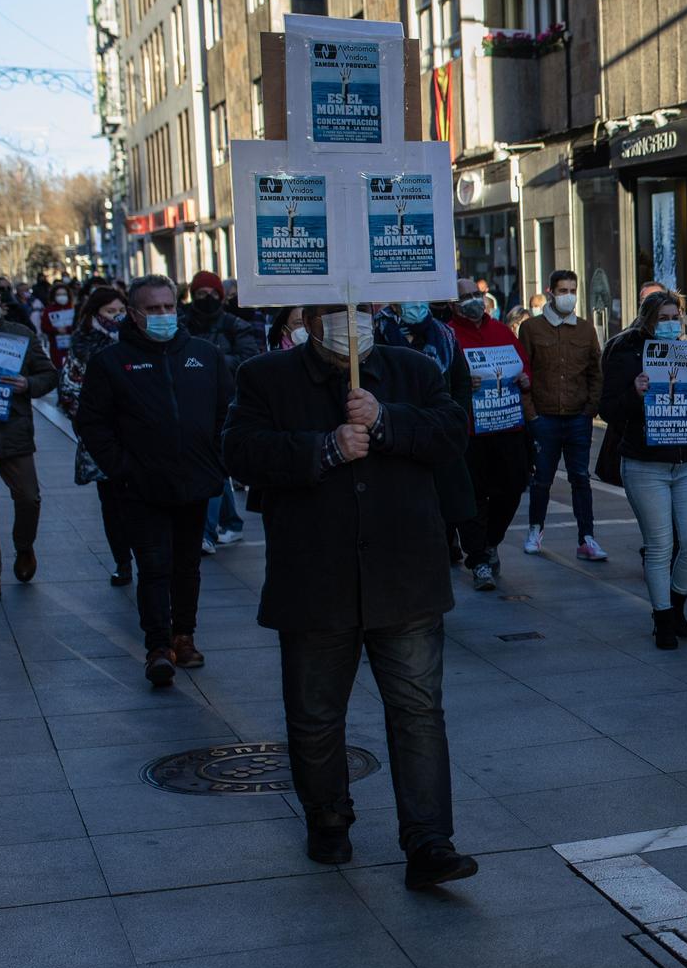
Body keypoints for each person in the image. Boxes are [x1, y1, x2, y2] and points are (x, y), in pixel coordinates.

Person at [224, 303, 477, 888]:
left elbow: (450, 433)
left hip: (404, 576)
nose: (351, 319)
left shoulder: (412, 368)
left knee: (417, 714)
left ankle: (429, 840)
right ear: (309, 319)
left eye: (362, 308)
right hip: (316, 579)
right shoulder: (266, 376)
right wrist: (324, 448)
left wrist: (387, 420)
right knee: (315, 715)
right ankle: (328, 818)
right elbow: (240, 451)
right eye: (337, 310)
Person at [73, 274, 235, 685]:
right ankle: (158, 647)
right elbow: (92, 423)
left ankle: (185, 636)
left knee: (187, 567)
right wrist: (122, 467)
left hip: (195, 483)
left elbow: (227, 411)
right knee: (154, 567)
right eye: (153, 309)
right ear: (133, 313)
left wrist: (216, 460)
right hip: (141, 487)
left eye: (168, 307)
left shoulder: (204, 355)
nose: (163, 315)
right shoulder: (111, 362)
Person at [603, 290, 687, 647]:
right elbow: (608, 410)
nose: (670, 324)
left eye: (675, 317)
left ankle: (676, 601)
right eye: (662, 318)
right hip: (645, 463)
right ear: (647, 318)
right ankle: (663, 617)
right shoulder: (624, 351)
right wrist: (634, 393)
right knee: (660, 545)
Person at [375, 302, 476, 568]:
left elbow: (461, 381)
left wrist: (456, 419)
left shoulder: (444, 335)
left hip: (439, 434)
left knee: (448, 505)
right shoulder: (378, 332)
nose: (415, 302)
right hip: (398, 435)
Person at [518, 269, 606, 561]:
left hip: (578, 417)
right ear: (551, 291)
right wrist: (531, 415)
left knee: (580, 478)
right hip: (544, 417)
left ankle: (587, 538)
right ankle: (535, 530)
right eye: (563, 290)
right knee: (542, 479)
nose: (569, 296)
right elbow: (523, 372)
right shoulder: (531, 329)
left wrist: (589, 410)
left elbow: (596, 371)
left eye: (572, 290)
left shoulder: (585, 329)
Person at [450, 286, 532, 587]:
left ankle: (490, 542)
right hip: (470, 432)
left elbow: (524, 368)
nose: (473, 298)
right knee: (473, 495)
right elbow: (437, 377)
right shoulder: (447, 335)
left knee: (511, 489)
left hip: (507, 428)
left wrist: (525, 380)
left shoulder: (501, 330)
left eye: (475, 292)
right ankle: (479, 559)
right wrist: (460, 383)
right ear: (453, 303)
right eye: (465, 295)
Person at [0, 283, 58, 598]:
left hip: (12, 429)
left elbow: (49, 375)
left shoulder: (21, 335)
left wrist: (28, 383)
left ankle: (24, 546)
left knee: (29, 498)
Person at [59, 286, 132, 586]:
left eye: (121, 311)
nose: (117, 318)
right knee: (112, 504)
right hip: (102, 441)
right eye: (110, 312)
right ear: (94, 314)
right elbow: (69, 392)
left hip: (141, 438)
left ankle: (148, 556)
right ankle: (123, 562)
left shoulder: (138, 341)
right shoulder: (82, 344)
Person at [184, 271, 261, 553]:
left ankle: (206, 532)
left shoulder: (234, 325)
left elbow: (248, 358)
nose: (207, 298)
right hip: (191, 403)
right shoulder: (183, 323)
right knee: (215, 464)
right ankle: (230, 521)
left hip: (225, 402)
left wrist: (209, 359)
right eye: (200, 293)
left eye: (212, 293)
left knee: (213, 463)